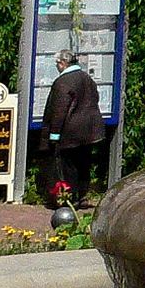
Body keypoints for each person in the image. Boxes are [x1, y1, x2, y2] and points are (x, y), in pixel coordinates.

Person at [42, 51, 105, 205]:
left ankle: (70, 198)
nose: (57, 66)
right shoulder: (87, 78)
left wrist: (54, 134)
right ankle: (82, 195)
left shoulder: (63, 82)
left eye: (57, 63)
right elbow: (95, 99)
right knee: (84, 164)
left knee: (68, 166)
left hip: (70, 133)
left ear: (63, 63)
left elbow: (59, 110)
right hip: (90, 130)